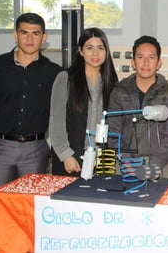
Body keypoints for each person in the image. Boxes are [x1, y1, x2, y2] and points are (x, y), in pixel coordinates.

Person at [0, 13, 62, 187]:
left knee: (28, 205)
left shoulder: (54, 72)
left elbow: (63, 112)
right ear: (15, 35)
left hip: (35, 150)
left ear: (44, 37)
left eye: (36, 33)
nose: (30, 38)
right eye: (24, 33)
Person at [106, 35, 168, 183]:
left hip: (161, 164)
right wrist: (126, 161)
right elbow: (113, 131)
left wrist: (155, 164)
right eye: (140, 57)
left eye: (151, 57)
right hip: (125, 163)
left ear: (159, 63)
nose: (146, 62)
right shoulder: (119, 91)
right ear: (133, 62)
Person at [49, 27, 118, 176]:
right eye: (89, 48)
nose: (95, 53)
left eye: (100, 48)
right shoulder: (65, 78)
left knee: (101, 197)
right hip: (71, 158)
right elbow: (56, 124)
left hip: (103, 159)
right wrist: (65, 154)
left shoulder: (112, 84)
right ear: (80, 51)